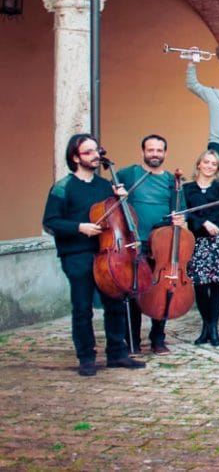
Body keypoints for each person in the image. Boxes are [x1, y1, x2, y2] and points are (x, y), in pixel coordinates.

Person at [43, 134, 146, 376]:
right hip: (77, 254)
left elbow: (118, 220)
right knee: (82, 307)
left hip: (109, 253)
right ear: (75, 157)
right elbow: (50, 222)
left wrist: (121, 200)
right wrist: (80, 227)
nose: (95, 156)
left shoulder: (104, 186)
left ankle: (117, 353)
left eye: (96, 151)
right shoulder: (63, 187)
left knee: (115, 302)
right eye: (88, 152)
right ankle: (86, 357)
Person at [117, 134, 177, 355]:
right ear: (143, 151)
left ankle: (158, 338)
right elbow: (111, 199)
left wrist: (179, 219)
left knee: (161, 291)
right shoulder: (129, 174)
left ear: (165, 153)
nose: (155, 154)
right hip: (134, 243)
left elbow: (178, 210)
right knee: (134, 293)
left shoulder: (171, 180)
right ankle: (132, 339)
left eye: (159, 150)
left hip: (161, 244)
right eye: (150, 150)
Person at [183, 149, 219, 347]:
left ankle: (213, 328)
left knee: (216, 287)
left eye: (213, 164)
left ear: (217, 169)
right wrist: (204, 223)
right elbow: (185, 213)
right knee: (200, 287)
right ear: (199, 164)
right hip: (197, 241)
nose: (209, 166)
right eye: (206, 162)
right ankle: (206, 325)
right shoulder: (187, 189)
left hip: (218, 242)